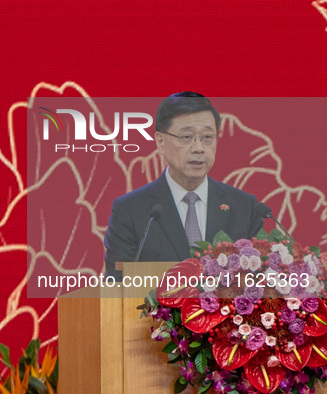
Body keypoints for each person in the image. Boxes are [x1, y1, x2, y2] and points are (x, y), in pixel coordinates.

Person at [104, 92, 264, 281]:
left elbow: (260, 281)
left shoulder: (244, 207)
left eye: (207, 137)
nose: (198, 148)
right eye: (187, 137)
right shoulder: (130, 210)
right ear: (161, 142)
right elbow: (116, 287)